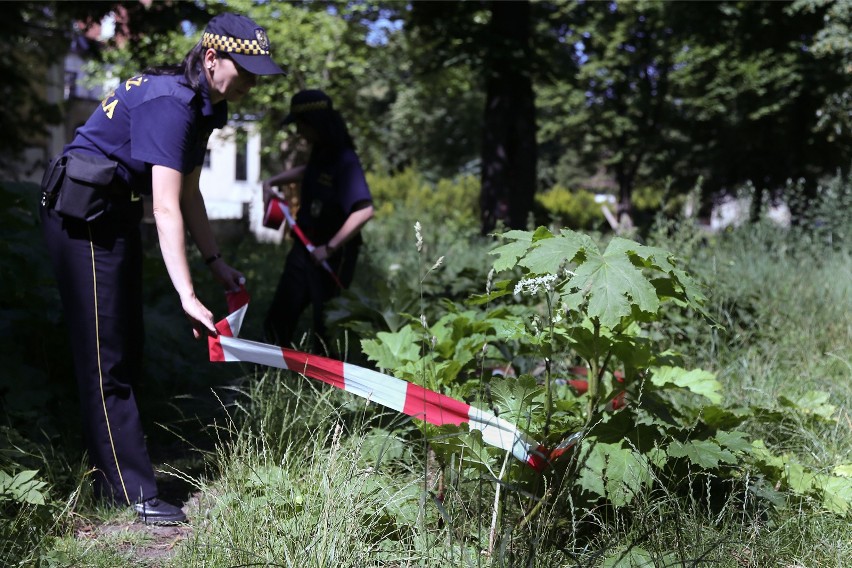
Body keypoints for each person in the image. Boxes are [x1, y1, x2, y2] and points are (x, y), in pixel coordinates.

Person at [38, 13, 285, 524]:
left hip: (114, 213)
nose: (255, 80)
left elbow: (189, 190)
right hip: (82, 215)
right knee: (106, 357)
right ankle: (130, 492)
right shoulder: (172, 102)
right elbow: (166, 205)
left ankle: (117, 475)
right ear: (213, 58)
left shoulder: (204, 102)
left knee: (127, 343)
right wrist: (186, 294)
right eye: (248, 67)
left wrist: (215, 261)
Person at [262, 90, 374, 351]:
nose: (299, 132)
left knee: (325, 331)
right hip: (304, 247)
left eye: (301, 125)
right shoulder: (320, 151)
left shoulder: (346, 160)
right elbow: (309, 172)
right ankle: (264, 376)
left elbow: (364, 210)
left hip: (333, 257)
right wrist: (272, 181)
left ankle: (326, 386)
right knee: (278, 319)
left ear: (315, 123)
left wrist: (329, 248)